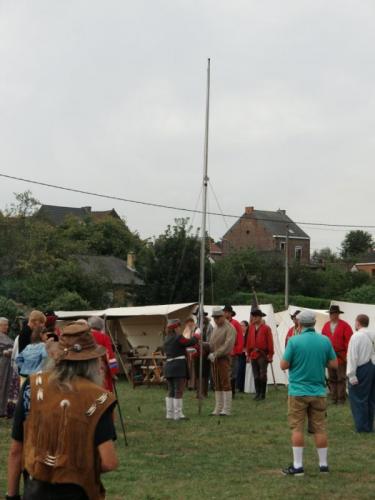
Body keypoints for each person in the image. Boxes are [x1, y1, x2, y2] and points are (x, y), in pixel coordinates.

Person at [6, 321, 118, 500]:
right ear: (92, 362)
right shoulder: (99, 398)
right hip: (79, 492)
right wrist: (78, 467)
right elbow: (109, 461)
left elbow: (16, 451)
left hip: (35, 491)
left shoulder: (32, 387)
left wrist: (12, 495)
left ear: (57, 357)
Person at [280, 310, 337, 476]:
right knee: (320, 429)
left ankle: (298, 467)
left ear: (299, 323)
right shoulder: (325, 341)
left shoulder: (294, 341)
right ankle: (323, 465)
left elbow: (284, 365)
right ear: (314, 322)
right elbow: (334, 364)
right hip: (319, 390)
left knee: (297, 428)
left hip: (298, 390)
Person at [163, 319, 198, 420]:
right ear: (175, 328)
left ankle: (169, 414)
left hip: (169, 366)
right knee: (179, 390)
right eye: (178, 327)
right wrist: (196, 336)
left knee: (171, 391)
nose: (180, 328)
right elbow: (189, 342)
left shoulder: (166, 338)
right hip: (178, 367)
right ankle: (178, 414)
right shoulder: (178, 337)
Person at [346, 314, 375, 432]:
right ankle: (369, 425)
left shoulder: (356, 336)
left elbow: (353, 357)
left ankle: (362, 427)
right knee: (371, 399)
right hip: (372, 367)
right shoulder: (373, 334)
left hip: (362, 368)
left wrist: (351, 375)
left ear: (358, 323)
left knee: (358, 398)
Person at [322, 305, 353, 404]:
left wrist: (347, 356)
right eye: (331, 313)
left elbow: (349, 342)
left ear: (338, 314)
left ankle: (341, 398)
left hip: (341, 356)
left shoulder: (345, 326)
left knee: (341, 378)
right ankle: (333, 397)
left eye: (334, 313)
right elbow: (322, 340)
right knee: (332, 378)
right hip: (329, 357)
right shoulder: (326, 326)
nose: (332, 315)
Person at [208, 307, 236, 416]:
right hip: (214, 357)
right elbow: (212, 341)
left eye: (218, 317)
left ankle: (227, 408)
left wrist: (216, 353)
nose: (216, 320)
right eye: (214, 318)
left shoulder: (230, 328)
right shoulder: (215, 328)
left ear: (223, 316)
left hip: (223, 357)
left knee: (225, 382)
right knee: (217, 383)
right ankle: (218, 407)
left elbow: (228, 345)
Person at [246, 308, 274, 401]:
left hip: (262, 354)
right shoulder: (251, 327)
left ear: (259, 317)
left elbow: (270, 342)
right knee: (256, 375)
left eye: (255, 316)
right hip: (253, 353)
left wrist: (270, 355)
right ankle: (257, 393)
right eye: (253, 316)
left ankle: (262, 394)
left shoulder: (266, 328)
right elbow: (249, 341)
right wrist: (248, 354)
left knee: (263, 374)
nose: (253, 318)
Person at [88, 316, 119, 393]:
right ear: (101, 326)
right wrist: (113, 372)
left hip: (86, 369)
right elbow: (110, 356)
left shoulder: (84, 336)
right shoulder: (104, 337)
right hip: (101, 370)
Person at [223, 305, 244, 398]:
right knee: (225, 372)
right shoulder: (222, 323)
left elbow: (240, 338)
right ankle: (226, 391)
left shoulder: (235, 323)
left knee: (232, 373)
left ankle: (232, 393)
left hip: (233, 352)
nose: (225, 313)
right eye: (224, 312)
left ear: (231, 313)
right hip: (224, 352)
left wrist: (237, 351)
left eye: (227, 312)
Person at [192, 311, 212, 399]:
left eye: (200, 316)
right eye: (197, 317)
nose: (198, 318)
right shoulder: (196, 326)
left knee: (204, 373)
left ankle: (204, 393)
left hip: (205, 352)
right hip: (197, 353)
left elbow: (210, 342)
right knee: (197, 373)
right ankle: (198, 393)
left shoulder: (209, 327)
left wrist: (201, 343)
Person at [0, 317, 13, 418]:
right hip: (2, 362)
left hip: (8, 363)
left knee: (6, 385)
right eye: (5, 325)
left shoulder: (5, 336)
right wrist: (3, 352)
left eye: (7, 325)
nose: (7, 327)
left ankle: (3, 410)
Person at [237, 320, 249, 393]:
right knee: (240, 370)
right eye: (240, 325)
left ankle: (245, 387)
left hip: (246, 355)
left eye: (242, 325)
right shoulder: (239, 335)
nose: (241, 327)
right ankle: (240, 387)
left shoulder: (248, 335)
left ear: (246, 327)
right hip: (240, 354)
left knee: (244, 371)